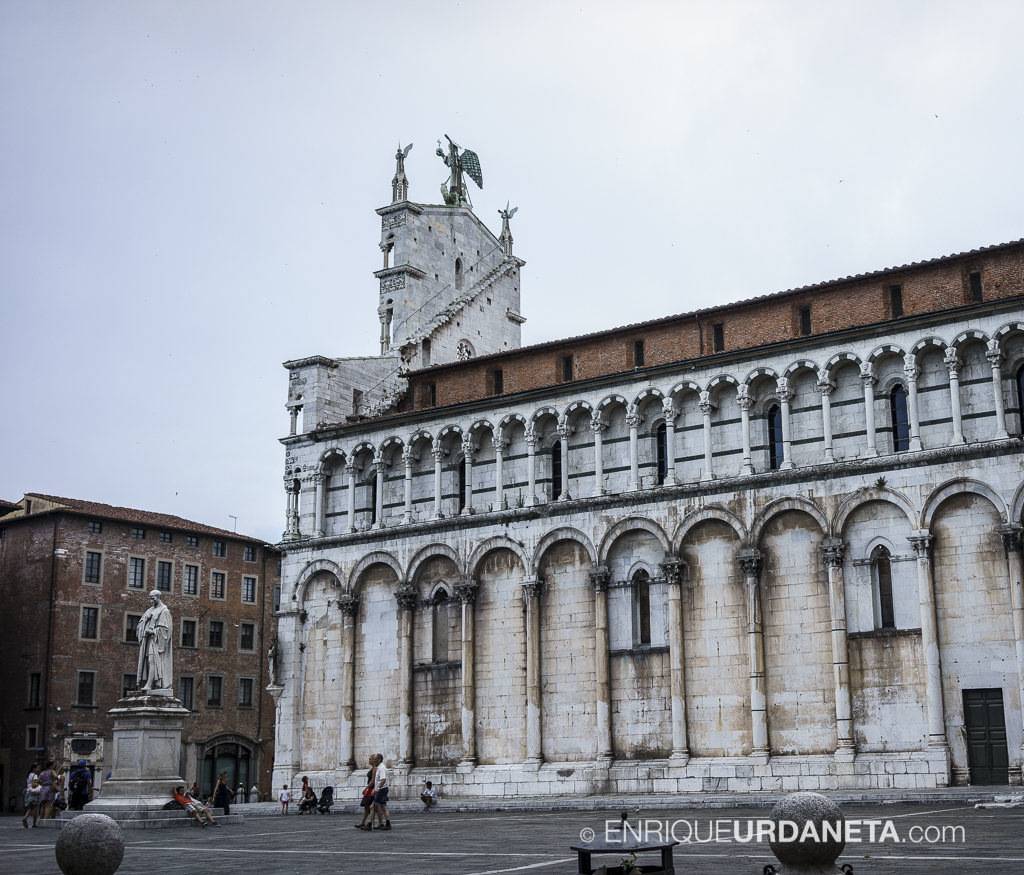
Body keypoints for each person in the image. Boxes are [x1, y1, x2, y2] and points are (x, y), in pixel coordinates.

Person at [354, 758, 376, 830]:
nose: (369, 761)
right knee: (367, 806)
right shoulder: (373, 768)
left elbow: (373, 780)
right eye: (369, 759)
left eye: (371, 759)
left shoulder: (375, 769)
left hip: (372, 789)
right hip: (370, 789)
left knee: (375, 807)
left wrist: (366, 788)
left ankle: (377, 823)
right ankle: (363, 822)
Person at [371, 754, 391, 831]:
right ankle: (388, 824)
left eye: (375, 759)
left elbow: (383, 779)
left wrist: (377, 789)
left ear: (379, 760)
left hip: (381, 789)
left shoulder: (381, 768)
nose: (373, 761)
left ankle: (370, 824)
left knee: (373, 806)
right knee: (383, 807)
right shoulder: (380, 767)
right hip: (382, 789)